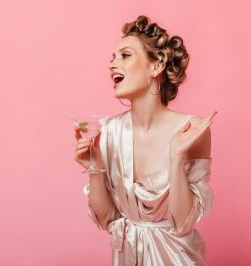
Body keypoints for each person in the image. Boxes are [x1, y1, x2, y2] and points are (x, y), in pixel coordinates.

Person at [74, 15, 218, 266]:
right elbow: (106, 219)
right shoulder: (109, 132)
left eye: (125, 55)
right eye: (113, 58)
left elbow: (183, 223)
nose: (112, 65)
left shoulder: (192, 130)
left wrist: (176, 157)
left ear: (156, 65)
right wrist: (94, 165)